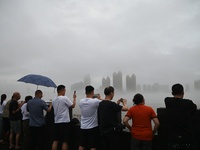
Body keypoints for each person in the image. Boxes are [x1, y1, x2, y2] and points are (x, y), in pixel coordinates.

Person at [164, 83, 198, 150]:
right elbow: (194, 107)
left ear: (172, 93)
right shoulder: (188, 103)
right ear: (183, 92)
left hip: (173, 138)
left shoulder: (167, 101)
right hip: (187, 137)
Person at [98, 86, 128, 150]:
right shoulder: (112, 104)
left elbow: (110, 108)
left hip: (102, 131)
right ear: (111, 93)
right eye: (113, 93)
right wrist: (124, 103)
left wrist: (117, 104)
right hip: (112, 132)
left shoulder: (101, 104)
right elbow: (126, 109)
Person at [52, 85, 76, 150]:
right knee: (65, 141)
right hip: (64, 122)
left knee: (56, 140)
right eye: (65, 90)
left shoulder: (54, 100)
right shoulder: (64, 98)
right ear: (62, 90)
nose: (65, 92)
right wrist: (74, 98)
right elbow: (73, 106)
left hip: (56, 121)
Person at [78, 85, 101, 150]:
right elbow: (106, 102)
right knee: (93, 146)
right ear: (93, 92)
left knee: (82, 145)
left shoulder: (81, 101)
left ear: (85, 92)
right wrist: (99, 98)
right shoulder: (95, 101)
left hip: (83, 127)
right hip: (93, 127)